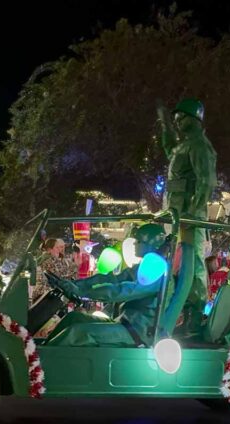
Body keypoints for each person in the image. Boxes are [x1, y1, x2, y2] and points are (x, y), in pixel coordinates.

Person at [46, 223, 166, 347]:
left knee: (77, 333)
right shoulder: (140, 267)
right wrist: (76, 284)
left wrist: (83, 292)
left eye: (139, 241)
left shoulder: (157, 270)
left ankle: (38, 363)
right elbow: (111, 278)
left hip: (137, 331)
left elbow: (121, 291)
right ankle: (39, 351)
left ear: (152, 245)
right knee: (73, 318)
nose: (134, 244)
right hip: (125, 322)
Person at [158, 98, 215, 335]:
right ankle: (177, 312)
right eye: (175, 119)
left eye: (180, 118)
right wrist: (164, 125)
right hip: (175, 214)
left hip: (189, 216)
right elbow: (170, 149)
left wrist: (194, 211)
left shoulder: (199, 145)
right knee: (177, 264)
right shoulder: (184, 145)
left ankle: (194, 312)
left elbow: (206, 180)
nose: (177, 122)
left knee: (194, 264)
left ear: (194, 119)